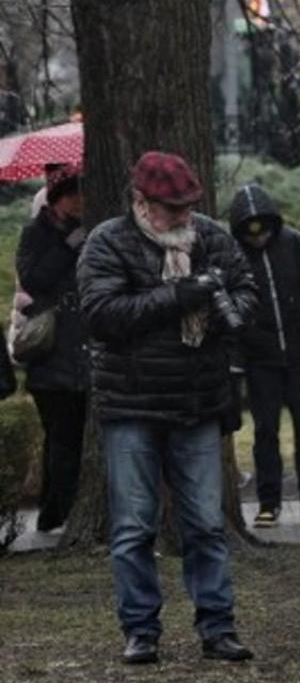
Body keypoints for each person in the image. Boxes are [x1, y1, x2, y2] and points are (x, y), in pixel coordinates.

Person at [79, 151, 258, 664]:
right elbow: (102, 314)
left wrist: (226, 314)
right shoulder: (108, 242)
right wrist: (181, 296)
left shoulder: (210, 238)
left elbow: (247, 292)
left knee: (205, 523)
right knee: (134, 525)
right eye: (172, 208)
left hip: (197, 403)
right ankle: (140, 630)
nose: (184, 217)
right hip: (131, 405)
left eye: (188, 206)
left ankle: (217, 626)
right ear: (141, 201)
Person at [226, 184, 300, 528]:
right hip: (261, 358)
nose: (258, 238)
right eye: (250, 232)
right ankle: (268, 501)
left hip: (299, 352)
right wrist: (241, 352)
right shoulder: (235, 254)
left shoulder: (295, 243)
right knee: (266, 431)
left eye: (264, 230)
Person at [15, 165, 88, 532]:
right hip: (52, 355)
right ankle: (59, 511)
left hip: (83, 350)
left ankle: (55, 510)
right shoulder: (36, 233)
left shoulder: (90, 232)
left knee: (73, 439)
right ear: (56, 200)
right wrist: (67, 247)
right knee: (62, 439)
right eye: (71, 194)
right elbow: (34, 279)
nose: (78, 201)